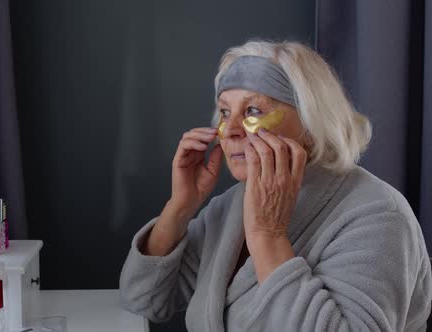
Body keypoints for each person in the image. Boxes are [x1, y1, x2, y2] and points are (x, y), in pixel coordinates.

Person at [119, 40, 432, 331]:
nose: (230, 131)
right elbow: (144, 300)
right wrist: (181, 206)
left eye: (253, 111)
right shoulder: (231, 206)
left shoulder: (379, 216)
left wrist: (268, 236)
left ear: (311, 125)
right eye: (226, 112)